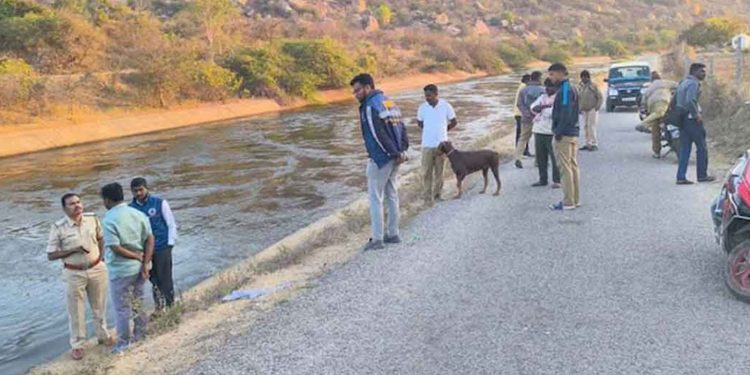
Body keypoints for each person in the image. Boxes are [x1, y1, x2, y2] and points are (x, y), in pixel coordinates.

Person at [46, 193, 114, 360]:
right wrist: (73, 250)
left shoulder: (92, 219)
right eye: (71, 204)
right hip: (73, 272)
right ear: (64, 208)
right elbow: (51, 255)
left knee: (100, 304)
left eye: (78, 202)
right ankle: (77, 345)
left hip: (97, 268)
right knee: (76, 310)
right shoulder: (58, 227)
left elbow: (101, 238)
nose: (77, 206)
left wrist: (101, 258)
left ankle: (103, 335)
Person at [350, 73, 409, 251]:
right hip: (395, 157)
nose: (356, 94)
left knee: (375, 198)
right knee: (392, 195)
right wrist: (402, 151)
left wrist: (392, 152)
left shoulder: (369, 106)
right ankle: (393, 234)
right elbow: (401, 126)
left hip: (381, 158)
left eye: (358, 90)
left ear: (368, 87)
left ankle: (377, 239)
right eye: (354, 92)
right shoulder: (389, 101)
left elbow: (377, 134)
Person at [101, 182, 154, 354]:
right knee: (138, 301)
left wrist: (136, 256)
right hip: (139, 268)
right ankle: (142, 334)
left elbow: (115, 247)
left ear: (107, 200)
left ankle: (124, 342)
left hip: (121, 270)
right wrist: (145, 262)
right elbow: (150, 238)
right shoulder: (137, 213)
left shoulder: (109, 218)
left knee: (122, 308)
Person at [129, 178, 178, 312]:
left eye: (141, 189)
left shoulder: (160, 203)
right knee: (153, 279)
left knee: (165, 278)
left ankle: (171, 306)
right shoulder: (130, 209)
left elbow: (171, 224)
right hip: (144, 251)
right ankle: (159, 307)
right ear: (131, 192)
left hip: (162, 247)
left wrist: (170, 244)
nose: (138, 193)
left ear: (146, 188)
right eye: (135, 191)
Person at [548, 63, 581, 210]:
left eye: (552, 74)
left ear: (561, 73)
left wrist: (559, 131)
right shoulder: (572, 87)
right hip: (572, 132)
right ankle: (575, 199)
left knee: (565, 168)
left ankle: (568, 201)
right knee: (573, 167)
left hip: (565, 134)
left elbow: (566, 111)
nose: (551, 78)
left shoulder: (566, 90)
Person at [417, 84, 458, 204]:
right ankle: (426, 198)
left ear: (436, 94)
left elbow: (454, 122)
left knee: (439, 172)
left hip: (442, 146)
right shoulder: (422, 108)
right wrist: (430, 131)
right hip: (427, 145)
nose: (427, 98)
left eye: (429, 96)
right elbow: (420, 123)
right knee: (426, 173)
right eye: (425, 96)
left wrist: (444, 130)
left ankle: (437, 195)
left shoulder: (446, 106)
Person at [676, 63, 715, 184]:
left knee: (685, 149)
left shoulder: (683, 82)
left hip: (682, 119)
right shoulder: (693, 83)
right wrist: (696, 115)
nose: (704, 74)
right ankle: (702, 175)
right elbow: (689, 100)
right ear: (695, 72)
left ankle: (681, 176)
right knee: (702, 147)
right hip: (691, 120)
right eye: (702, 71)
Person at [530, 79, 561, 188]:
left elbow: (552, 113)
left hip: (551, 132)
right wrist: (544, 107)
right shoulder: (542, 97)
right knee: (541, 158)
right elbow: (533, 108)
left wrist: (541, 108)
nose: (548, 89)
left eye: (550, 87)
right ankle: (543, 179)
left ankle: (557, 180)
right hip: (538, 130)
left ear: (556, 88)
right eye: (546, 87)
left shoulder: (558, 98)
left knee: (554, 158)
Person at [639, 71, 677, 158]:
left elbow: (643, 101)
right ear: (660, 77)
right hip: (666, 104)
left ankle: (657, 152)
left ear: (651, 80)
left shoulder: (650, 87)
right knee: (671, 122)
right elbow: (678, 85)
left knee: (655, 131)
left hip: (653, 106)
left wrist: (644, 108)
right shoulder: (666, 82)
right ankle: (674, 143)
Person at [515, 71, 545, 169]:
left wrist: (526, 113)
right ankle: (538, 161)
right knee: (538, 139)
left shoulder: (523, 90)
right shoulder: (542, 90)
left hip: (526, 118)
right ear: (539, 78)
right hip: (539, 118)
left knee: (523, 138)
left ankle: (518, 158)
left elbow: (519, 104)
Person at [578, 70, 603, 151]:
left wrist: (597, 107)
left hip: (592, 109)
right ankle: (587, 143)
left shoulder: (593, 86)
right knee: (585, 126)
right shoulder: (580, 86)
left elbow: (600, 97)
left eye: (585, 77)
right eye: (582, 77)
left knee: (591, 126)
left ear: (588, 77)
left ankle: (594, 143)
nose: (583, 79)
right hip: (583, 110)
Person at [513, 74, 532, 157]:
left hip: (518, 113)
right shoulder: (524, 87)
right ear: (528, 80)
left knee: (522, 133)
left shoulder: (522, 86)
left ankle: (523, 151)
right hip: (521, 113)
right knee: (523, 133)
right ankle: (521, 152)